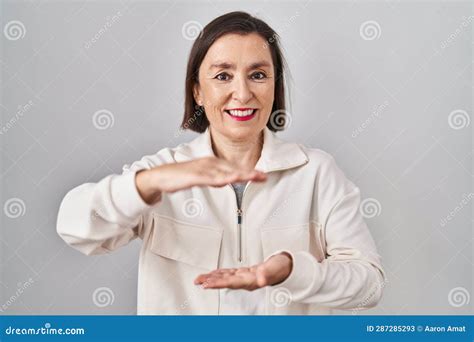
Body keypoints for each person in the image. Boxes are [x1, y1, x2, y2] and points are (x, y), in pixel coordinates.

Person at [57, 11, 386, 315]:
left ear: (275, 86)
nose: (242, 94)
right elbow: (76, 230)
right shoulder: (163, 173)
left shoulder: (316, 172)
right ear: (198, 91)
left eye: (258, 75)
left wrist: (291, 270)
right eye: (223, 76)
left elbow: (368, 284)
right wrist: (146, 184)